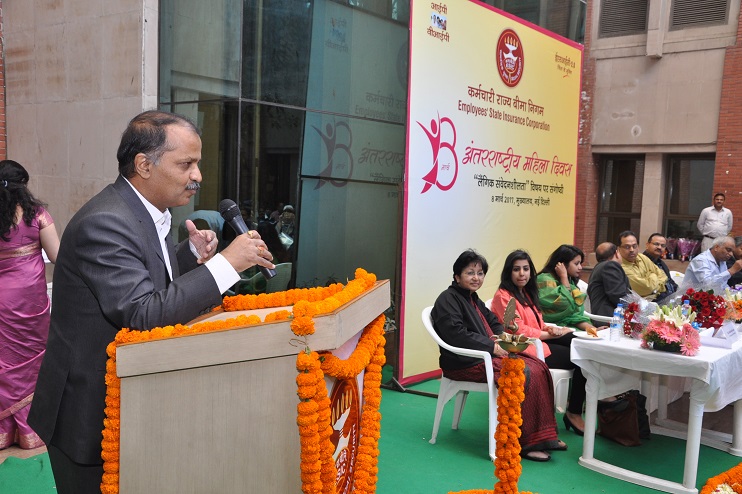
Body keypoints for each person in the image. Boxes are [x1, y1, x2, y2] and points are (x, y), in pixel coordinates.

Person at [28, 110, 275, 494]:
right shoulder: (105, 221)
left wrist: (187, 255)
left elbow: (141, 274)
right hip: (88, 412)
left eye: (197, 164)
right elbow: (142, 312)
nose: (197, 176)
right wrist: (227, 264)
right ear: (144, 165)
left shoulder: (143, 210)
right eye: (186, 164)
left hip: (135, 399)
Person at [431, 249, 566, 462]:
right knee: (522, 372)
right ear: (457, 276)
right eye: (470, 273)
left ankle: (544, 437)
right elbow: (456, 334)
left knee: (539, 367)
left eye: (480, 273)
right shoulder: (448, 299)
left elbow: (493, 322)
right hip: (465, 362)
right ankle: (526, 443)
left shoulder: (472, 298)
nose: (476, 278)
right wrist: (491, 347)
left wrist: (502, 336)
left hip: (484, 357)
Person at [490, 250, 588, 436]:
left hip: (538, 341)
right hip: (524, 348)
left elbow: (537, 323)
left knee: (581, 344)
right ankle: (574, 412)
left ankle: (588, 405)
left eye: (526, 269)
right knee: (582, 358)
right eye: (516, 269)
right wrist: (550, 335)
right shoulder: (503, 296)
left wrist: (551, 329)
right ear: (508, 272)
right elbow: (517, 330)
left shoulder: (527, 292)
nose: (522, 274)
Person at [0, 160, 60, 450]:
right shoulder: (37, 214)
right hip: (31, 301)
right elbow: (57, 255)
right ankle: (29, 430)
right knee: (32, 359)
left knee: (5, 361)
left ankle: (4, 431)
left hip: (2, 300)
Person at [536, 244, 598, 334]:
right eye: (576, 264)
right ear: (562, 264)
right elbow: (565, 304)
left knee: (599, 338)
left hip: (570, 328)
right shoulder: (544, 280)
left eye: (580, 263)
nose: (580, 267)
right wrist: (564, 276)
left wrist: (594, 331)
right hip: (553, 329)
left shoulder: (570, 281)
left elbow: (574, 317)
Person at [678, 236, 742, 295]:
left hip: (711, 298)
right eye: (728, 250)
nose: (731, 254)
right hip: (689, 299)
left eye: (732, 251)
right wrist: (731, 271)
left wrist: (732, 293)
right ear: (716, 247)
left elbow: (723, 285)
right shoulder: (701, 260)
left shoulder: (722, 261)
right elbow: (708, 285)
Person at [618, 231, 668, 301]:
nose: (632, 250)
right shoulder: (619, 266)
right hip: (638, 304)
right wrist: (653, 275)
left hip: (658, 299)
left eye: (634, 246)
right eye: (627, 247)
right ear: (619, 248)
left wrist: (653, 287)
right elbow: (647, 288)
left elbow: (663, 275)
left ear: (638, 247)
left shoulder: (642, 257)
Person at [587, 242, 631, 320]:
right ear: (616, 253)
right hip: (610, 320)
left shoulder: (599, 267)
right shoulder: (610, 266)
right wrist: (639, 310)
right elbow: (619, 296)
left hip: (603, 318)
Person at [643, 233, 678, 302]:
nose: (659, 247)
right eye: (656, 244)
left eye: (663, 245)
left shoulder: (661, 263)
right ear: (647, 245)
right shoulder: (641, 262)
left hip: (670, 301)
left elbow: (670, 282)